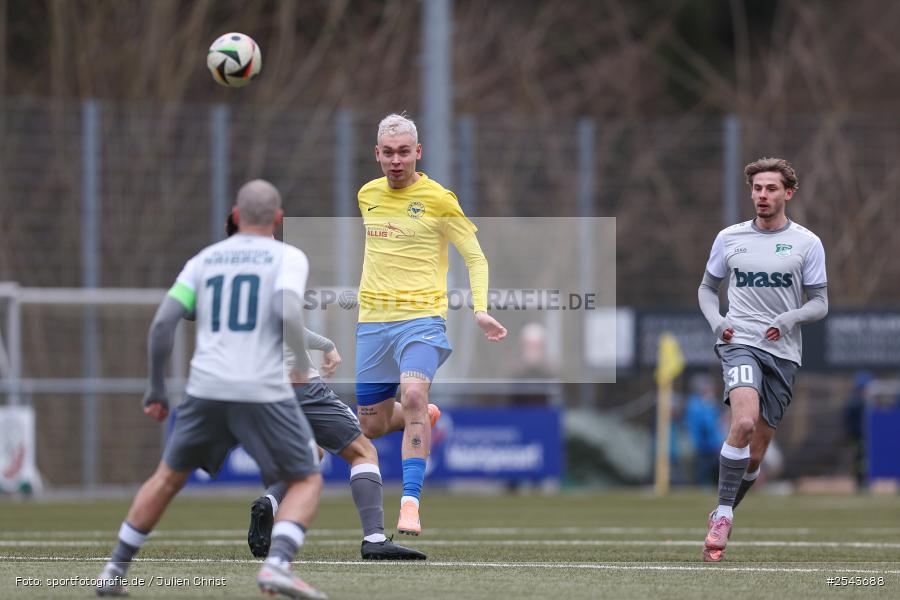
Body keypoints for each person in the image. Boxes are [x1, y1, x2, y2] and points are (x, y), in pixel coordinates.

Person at [96, 180, 327, 599]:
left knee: (167, 478)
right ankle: (277, 565)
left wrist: (156, 388)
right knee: (306, 477)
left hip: (206, 388)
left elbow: (164, 324)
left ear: (235, 217)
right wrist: (298, 361)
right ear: (277, 219)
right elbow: (284, 308)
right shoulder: (287, 257)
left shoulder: (204, 260)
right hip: (261, 389)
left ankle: (114, 570)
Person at [222, 213, 425, 561]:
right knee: (363, 451)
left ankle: (269, 501)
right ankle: (375, 539)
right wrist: (326, 344)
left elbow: (190, 311)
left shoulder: (222, 274)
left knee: (310, 453)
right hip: (296, 382)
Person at [354, 113, 507, 536]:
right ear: (377, 155)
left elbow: (474, 256)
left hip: (421, 320)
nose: (396, 160)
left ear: (418, 152)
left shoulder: (440, 199)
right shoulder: (366, 195)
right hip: (372, 323)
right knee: (372, 424)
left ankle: (410, 504)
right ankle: (421, 415)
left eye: (405, 152)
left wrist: (479, 308)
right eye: (388, 153)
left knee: (415, 392)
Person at [697, 158, 828, 562]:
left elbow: (820, 303)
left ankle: (724, 509)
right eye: (757, 188)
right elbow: (706, 289)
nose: (762, 196)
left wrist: (791, 316)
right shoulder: (730, 238)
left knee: (756, 455)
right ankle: (722, 517)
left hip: (783, 354)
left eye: (771, 189)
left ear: (788, 193)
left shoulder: (807, 242)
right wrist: (718, 322)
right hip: (739, 343)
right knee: (744, 421)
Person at [683, 373, 725, 485]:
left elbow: (716, 423)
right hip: (702, 443)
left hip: (712, 442)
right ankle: (701, 484)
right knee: (703, 466)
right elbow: (703, 425)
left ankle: (709, 484)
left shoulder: (711, 402)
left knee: (712, 465)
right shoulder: (695, 403)